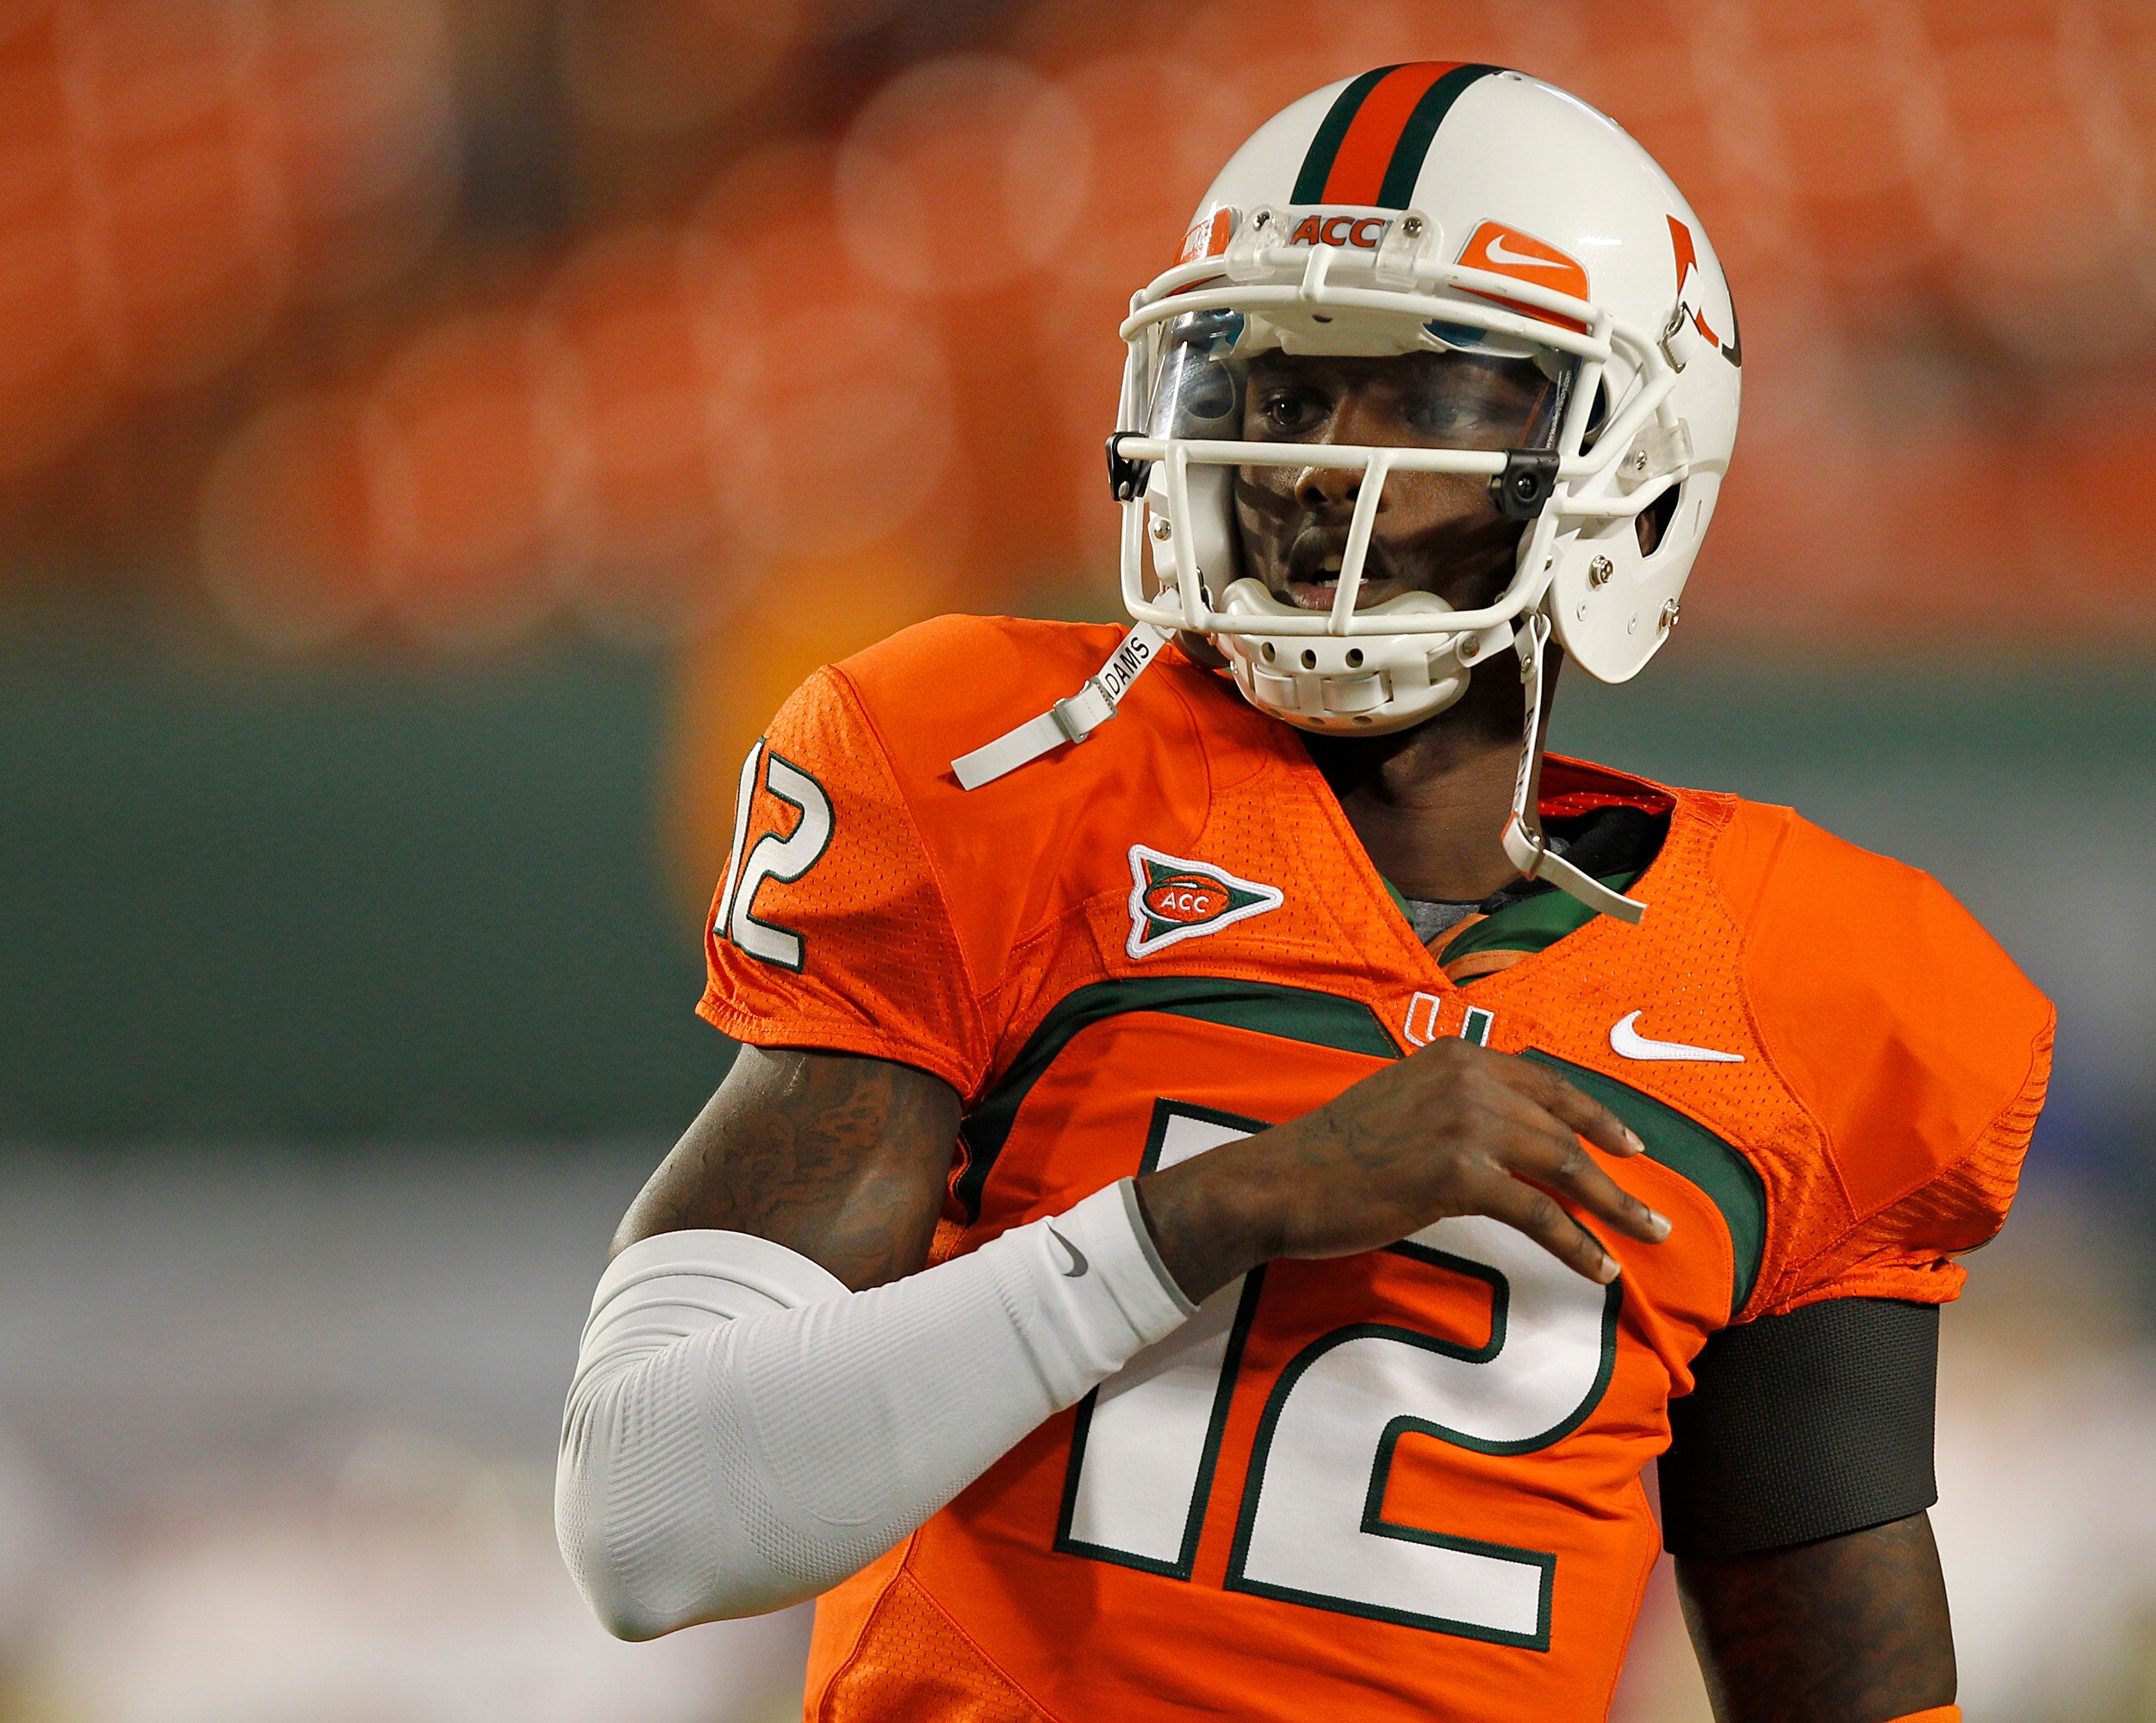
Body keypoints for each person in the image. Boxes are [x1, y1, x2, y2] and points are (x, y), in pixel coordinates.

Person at [555, 64, 2053, 1723]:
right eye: (1276, 388)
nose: (1313, 466)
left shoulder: (1824, 989)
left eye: (1425, 396)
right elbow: (649, 1518)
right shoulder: (996, 777)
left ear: (1629, 462)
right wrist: (1224, 1208)